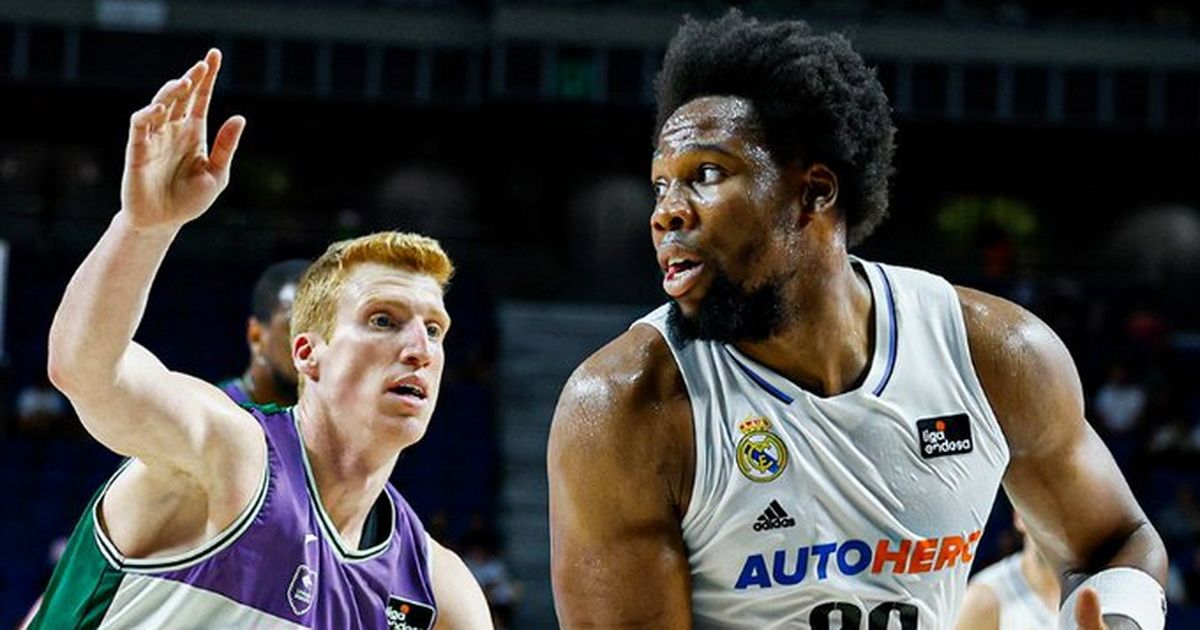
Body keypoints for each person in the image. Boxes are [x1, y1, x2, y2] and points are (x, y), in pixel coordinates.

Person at [548, 11, 1167, 630]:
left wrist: (1120, 620)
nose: (666, 213)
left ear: (815, 191)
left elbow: (1118, 541)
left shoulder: (993, 354)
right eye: (660, 186)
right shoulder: (624, 407)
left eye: (706, 174)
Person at [31, 49, 490, 629]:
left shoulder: (438, 593)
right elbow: (88, 370)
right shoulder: (231, 455)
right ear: (308, 354)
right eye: (383, 320)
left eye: (434, 329)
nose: (419, 349)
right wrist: (144, 228)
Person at [220, 258, 310, 406]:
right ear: (256, 336)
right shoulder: (212, 409)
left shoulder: (332, 414)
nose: (310, 347)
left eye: (322, 330)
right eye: (296, 328)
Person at [956, 514, 1058, 629]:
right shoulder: (983, 598)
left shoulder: (1074, 593)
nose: (1055, 528)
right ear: (1020, 516)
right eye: (1048, 515)